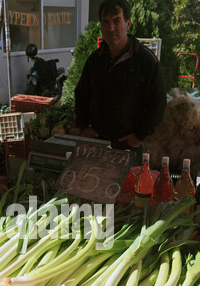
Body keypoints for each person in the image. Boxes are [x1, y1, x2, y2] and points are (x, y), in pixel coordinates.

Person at [74, 0, 167, 164]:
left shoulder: (145, 60)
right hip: (98, 145)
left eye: (117, 21)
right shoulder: (95, 60)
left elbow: (158, 102)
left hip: (129, 147)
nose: (111, 28)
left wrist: (139, 136)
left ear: (128, 24)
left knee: (128, 189)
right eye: (106, 22)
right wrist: (83, 126)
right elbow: (81, 94)